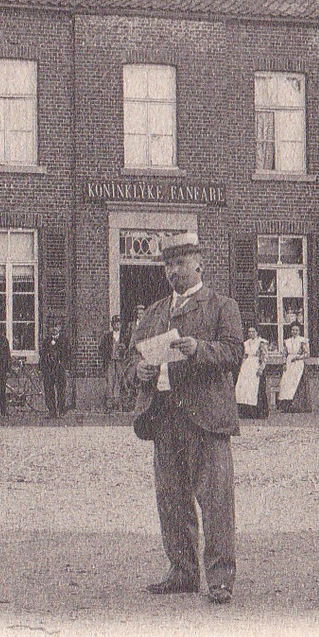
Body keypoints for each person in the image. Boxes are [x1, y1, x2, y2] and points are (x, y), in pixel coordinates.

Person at [125, 231, 244, 605]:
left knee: (216, 502)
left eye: (180, 263)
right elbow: (129, 360)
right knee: (171, 501)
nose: (174, 271)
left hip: (206, 419)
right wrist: (139, 372)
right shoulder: (155, 313)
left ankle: (220, 579)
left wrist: (199, 349)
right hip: (164, 418)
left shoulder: (222, 306)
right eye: (168, 265)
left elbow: (233, 353)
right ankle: (182, 571)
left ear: (199, 264)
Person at [235, 326, 271, 419]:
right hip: (247, 366)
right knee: (244, 388)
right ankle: (246, 412)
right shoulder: (246, 343)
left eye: (253, 332)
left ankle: (258, 412)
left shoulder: (261, 342)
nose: (251, 333)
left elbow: (264, 356)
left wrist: (261, 369)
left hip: (256, 365)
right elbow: (244, 355)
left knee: (256, 388)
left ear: (257, 332)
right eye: (249, 332)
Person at [39, 321, 73, 418]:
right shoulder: (46, 341)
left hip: (60, 369)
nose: (54, 329)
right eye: (52, 327)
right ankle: (52, 411)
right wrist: (42, 368)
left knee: (61, 390)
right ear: (49, 329)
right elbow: (42, 355)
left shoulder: (64, 341)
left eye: (56, 326)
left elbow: (68, 355)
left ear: (60, 328)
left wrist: (65, 366)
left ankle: (61, 411)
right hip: (48, 370)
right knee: (49, 391)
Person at [277, 320, 311, 412]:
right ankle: (286, 406)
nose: (294, 332)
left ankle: (297, 406)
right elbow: (284, 353)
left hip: (298, 363)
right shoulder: (287, 341)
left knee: (297, 382)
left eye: (296, 330)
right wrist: (284, 362)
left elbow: (307, 354)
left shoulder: (302, 341)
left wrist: (298, 357)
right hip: (289, 363)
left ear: (299, 331)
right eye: (293, 330)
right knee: (287, 384)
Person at [99, 316, 124, 410]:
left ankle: (118, 402)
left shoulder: (124, 336)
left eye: (118, 323)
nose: (117, 325)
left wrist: (123, 350)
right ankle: (109, 403)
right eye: (115, 323)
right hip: (110, 361)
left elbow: (128, 348)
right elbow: (101, 348)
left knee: (119, 380)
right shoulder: (107, 336)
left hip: (120, 362)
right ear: (112, 325)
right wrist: (106, 356)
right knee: (110, 381)